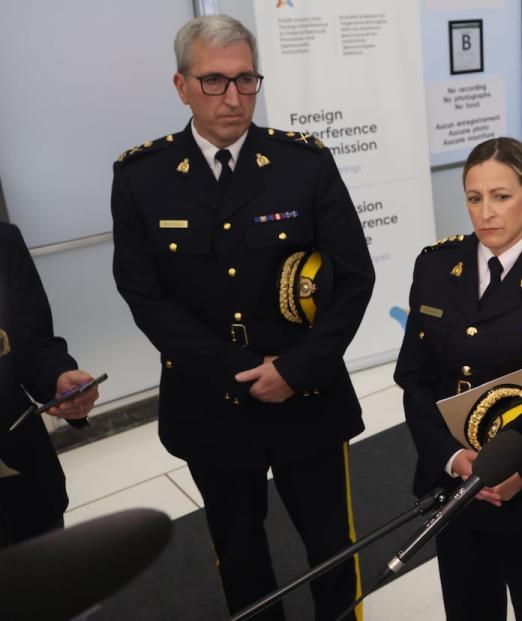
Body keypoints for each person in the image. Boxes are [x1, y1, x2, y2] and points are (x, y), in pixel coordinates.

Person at [110, 15, 374, 620]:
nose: (234, 98)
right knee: (238, 549)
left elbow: (355, 277)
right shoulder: (142, 178)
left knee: (332, 546)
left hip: (305, 393)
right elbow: (144, 295)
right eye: (214, 82)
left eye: (246, 80)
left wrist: (300, 368)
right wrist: (239, 369)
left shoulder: (302, 164)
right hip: (211, 398)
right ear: (181, 86)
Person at [394, 137, 522, 620]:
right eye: (474, 197)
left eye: (501, 197)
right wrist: (450, 458)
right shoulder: (436, 265)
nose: (486, 212)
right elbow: (416, 379)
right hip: (455, 490)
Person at [0, 222, 98, 547]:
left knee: (50, 594)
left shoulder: (4, 239)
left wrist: (58, 378)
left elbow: (31, 342)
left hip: (21, 482)